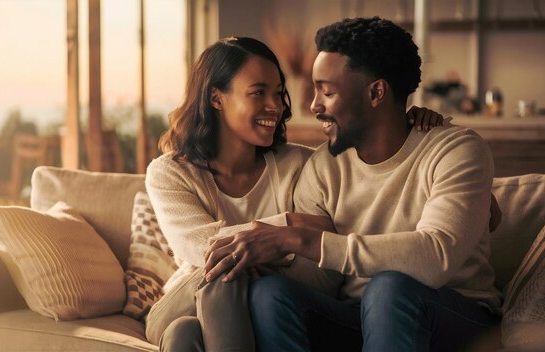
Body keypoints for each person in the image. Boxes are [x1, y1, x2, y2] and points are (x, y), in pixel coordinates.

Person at [204, 18, 502, 352]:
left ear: (376, 92)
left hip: (452, 317)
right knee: (270, 293)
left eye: (327, 92)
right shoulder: (322, 167)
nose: (314, 105)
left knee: (388, 289)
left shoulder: (456, 150)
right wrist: (269, 258)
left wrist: (300, 237)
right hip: (357, 317)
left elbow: (435, 258)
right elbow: (325, 280)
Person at [144, 36, 446, 352]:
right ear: (216, 98)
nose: (275, 106)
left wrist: (404, 122)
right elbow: (202, 249)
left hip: (250, 312)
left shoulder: (301, 165)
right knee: (225, 268)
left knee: (183, 335)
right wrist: (284, 228)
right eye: (258, 92)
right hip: (186, 299)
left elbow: (328, 274)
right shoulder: (169, 172)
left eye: (278, 93)